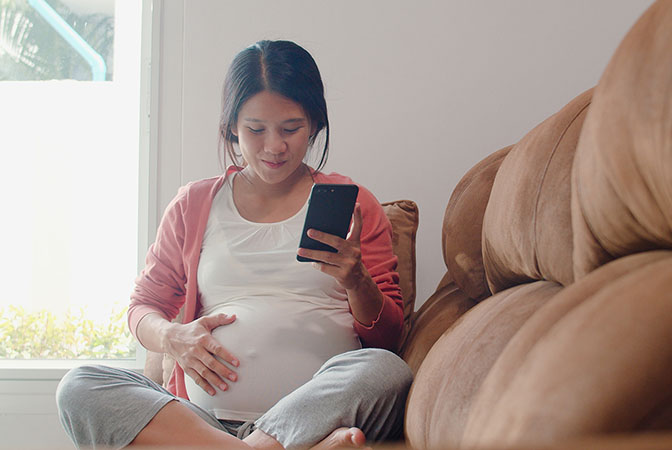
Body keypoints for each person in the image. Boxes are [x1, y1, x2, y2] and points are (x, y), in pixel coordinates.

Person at [56, 40, 413, 450]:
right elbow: (143, 308)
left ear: (314, 124)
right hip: (201, 421)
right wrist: (173, 337)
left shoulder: (355, 205)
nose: (274, 146)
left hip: (315, 410)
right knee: (79, 385)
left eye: (291, 128)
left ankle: (269, 442)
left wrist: (357, 281)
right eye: (255, 130)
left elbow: (387, 338)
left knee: (385, 370)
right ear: (231, 126)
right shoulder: (194, 204)